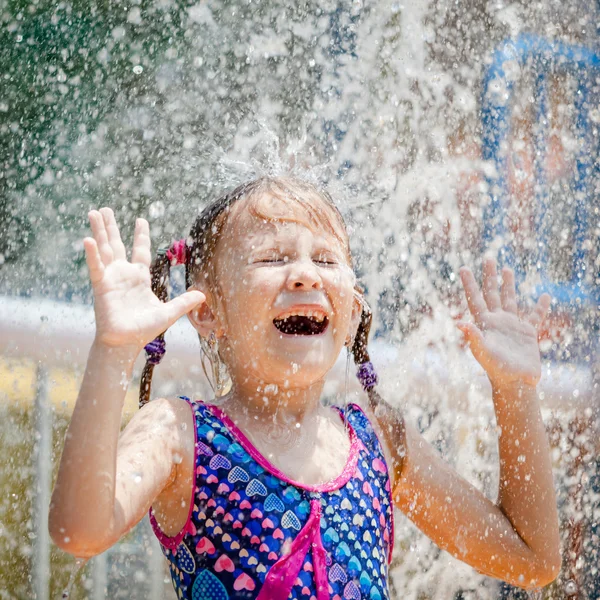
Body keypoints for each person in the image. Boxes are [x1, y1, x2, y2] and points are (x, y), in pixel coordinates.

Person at [49, 176, 561, 599]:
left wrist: (515, 391)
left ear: (354, 304)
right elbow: (79, 530)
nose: (303, 275)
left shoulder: (378, 441)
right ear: (208, 310)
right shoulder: (180, 433)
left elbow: (530, 557)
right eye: (272, 258)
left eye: (326, 259)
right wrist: (113, 349)